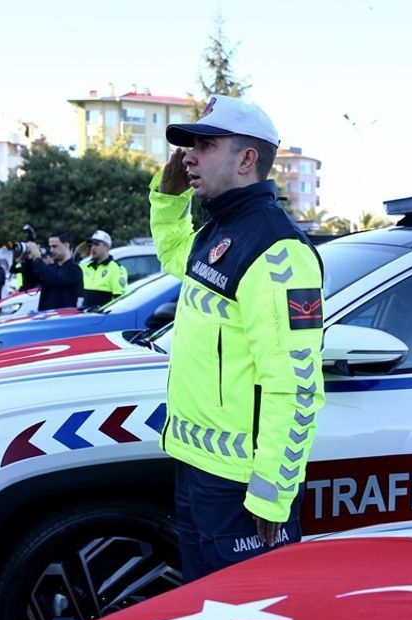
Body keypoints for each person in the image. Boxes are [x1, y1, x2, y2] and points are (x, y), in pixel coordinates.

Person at [150, 95, 326, 582]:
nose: (188, 156)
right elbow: (173, 259)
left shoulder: (278, 251)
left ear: (247, 159)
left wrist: (273, 490)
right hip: (197, 468)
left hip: (240, 486)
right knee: (206, 611)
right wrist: (168, 200)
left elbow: (296, 385)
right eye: (190, 146)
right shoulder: (223, 229)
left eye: (204, 145)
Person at [24, 232, 82, 311]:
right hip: (46, 316)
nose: (51, 250)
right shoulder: (52, 268)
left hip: (63, 318)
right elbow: (30, 282)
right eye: (50, 247)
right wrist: (27, 260)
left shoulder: (74, 269)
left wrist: (38, 259)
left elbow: (56, 280)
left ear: (66, 245)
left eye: (54, 246)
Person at [80, 230, 128, 307]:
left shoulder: (116, 269)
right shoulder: (86, 267)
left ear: (106, 246)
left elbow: (120, 299)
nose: (92, 248)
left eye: (96, 244)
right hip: (86, 316)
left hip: (104, 317)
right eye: (91, 245)